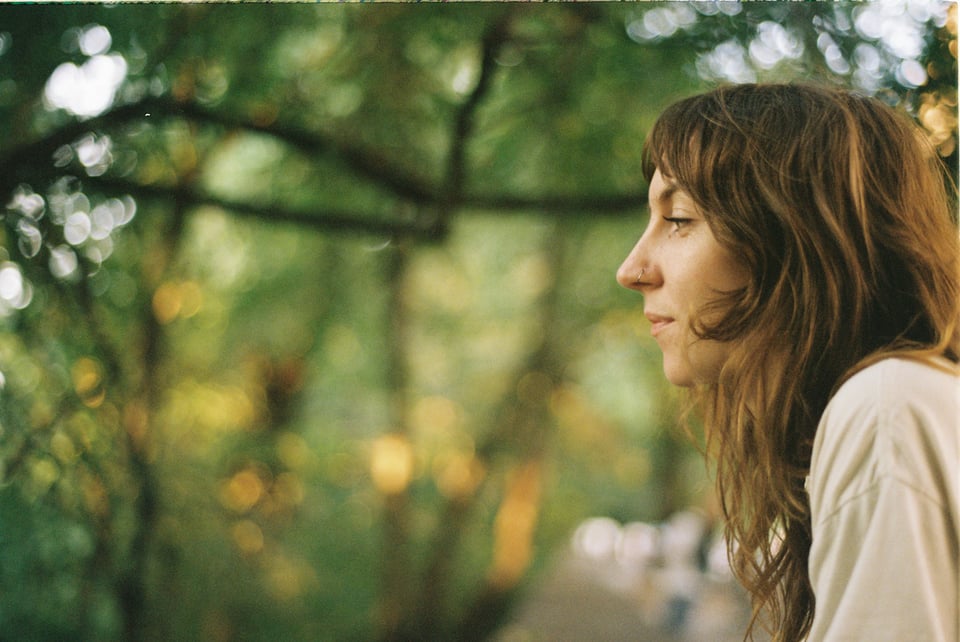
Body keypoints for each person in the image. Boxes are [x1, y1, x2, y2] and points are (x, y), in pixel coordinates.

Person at [616, 83, 959, 641]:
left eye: (679, 219)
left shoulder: (885, 409)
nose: (631, 269)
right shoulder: (904, 399)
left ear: (794, 237)